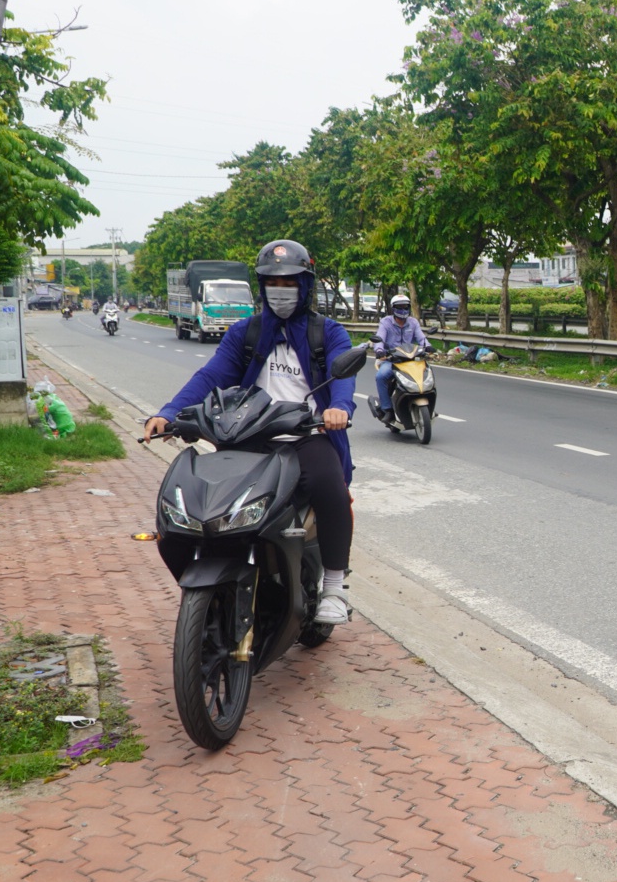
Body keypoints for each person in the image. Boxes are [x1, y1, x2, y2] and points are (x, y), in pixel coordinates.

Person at [143, 239, 358, 625]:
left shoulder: (328, 333)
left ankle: (335, 587)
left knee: (331, 488)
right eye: (273, 283)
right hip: (246, 438)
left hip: (303, 437)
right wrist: (170, 412)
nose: (281, 291)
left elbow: (343, 382)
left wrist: (339, 409)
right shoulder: (245, 332)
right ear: (262, 286)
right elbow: (210, 376)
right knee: (188, 506)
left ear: (305, 285)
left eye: (290, 283)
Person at [370, 294, 431, 420]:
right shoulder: (386, 322)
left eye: (405, 306)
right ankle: (387, 409)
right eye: (399, 307)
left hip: (411, 359)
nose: (403, 309)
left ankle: (429, 404)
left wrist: (428, 347)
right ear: (393, 308)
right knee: (381, 376)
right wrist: (380, 350)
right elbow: (379, 338)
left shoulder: (413, 322)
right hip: (391, 360)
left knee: (427, 373)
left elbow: (421, 338)